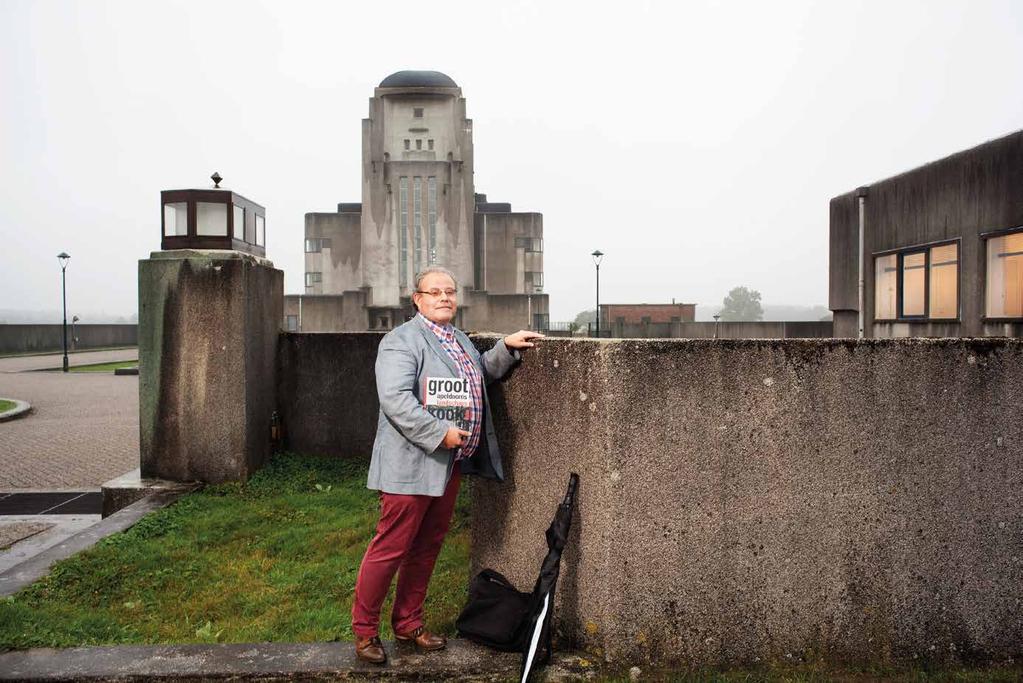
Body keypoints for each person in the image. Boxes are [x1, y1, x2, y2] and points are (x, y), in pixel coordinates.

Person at [352, 266, 543, 664]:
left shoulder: (457, 339)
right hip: (411, 465)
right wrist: (439, 433)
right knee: (390, 548)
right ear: (417, 299)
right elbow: (396, 400)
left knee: (426, 549)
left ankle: (407, 622)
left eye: (450, 292)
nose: (444, 297)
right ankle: (365, 631)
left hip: (449, 465)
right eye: (434, 291)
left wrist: (506, 347)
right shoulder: (400, 341)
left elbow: (478, 377)